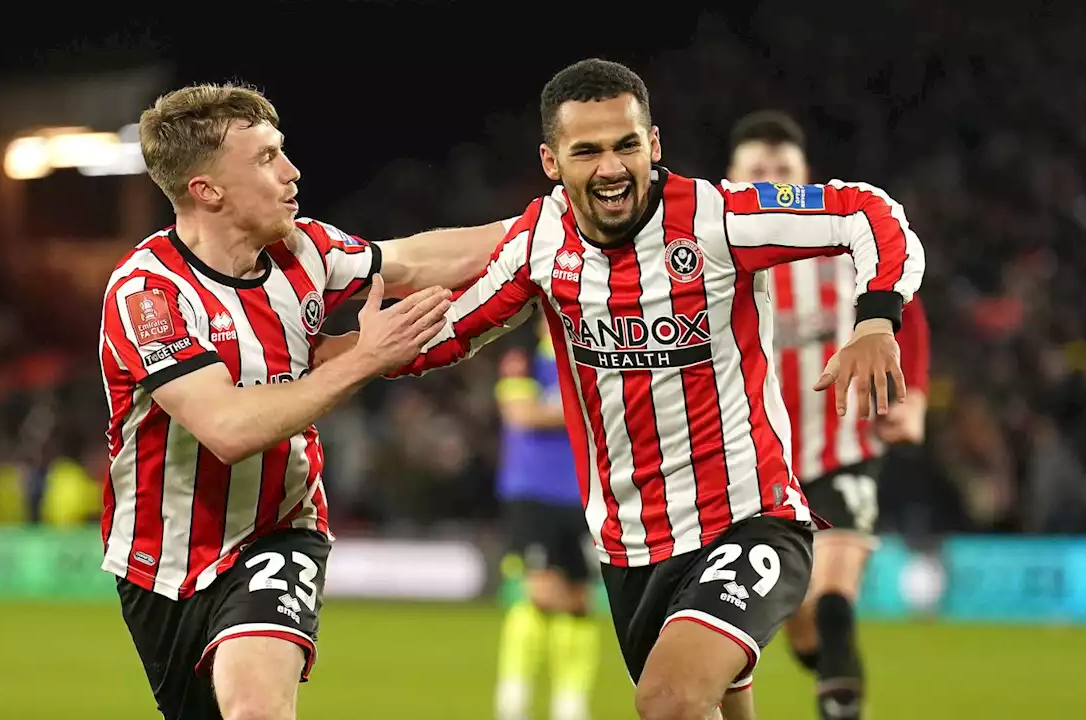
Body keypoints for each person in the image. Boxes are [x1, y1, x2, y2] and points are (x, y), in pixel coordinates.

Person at [391, 59, 927, 720]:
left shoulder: (719, 219)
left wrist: (876, 319)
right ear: (552, 161)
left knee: (670, 700)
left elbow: (869, 213)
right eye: (586, 150)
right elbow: (444, 333)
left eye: (627, 144)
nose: (611, 166)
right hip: (631, 547)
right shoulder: (542, 243)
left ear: (656, 144)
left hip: (750, 519)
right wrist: (321, 359)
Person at [98, 82, 508, 720]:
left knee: (256, 708)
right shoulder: (148, 296)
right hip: (160, 560)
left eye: (281, 151)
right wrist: (367, 357)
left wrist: (549, 227)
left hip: (281, 529)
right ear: (208, 190)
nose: (291, 172)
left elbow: (412, 262)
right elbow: (227, 428)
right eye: (265, 159)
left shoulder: (303, 251)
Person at [727, 110, 932, 720]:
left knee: (835, 597)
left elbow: (907, 307)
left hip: (841, 448)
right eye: (755, 171)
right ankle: (831, 666)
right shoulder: (710, 260)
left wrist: (913, 396)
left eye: (781, 171)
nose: (768, 181)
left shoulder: (840, 246)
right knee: (804, 621)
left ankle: (842, 701)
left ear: (803, 178)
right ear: (730, 179)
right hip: (754, 466)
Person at [494, 314, 600, 720]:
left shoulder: (591, 355)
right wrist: (583, 408)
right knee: (538, 593)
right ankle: (513, 700)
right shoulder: (521, 354)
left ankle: (570, 704)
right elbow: (522, 414)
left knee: (579, 600)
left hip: (584, 493)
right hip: (534, 490)